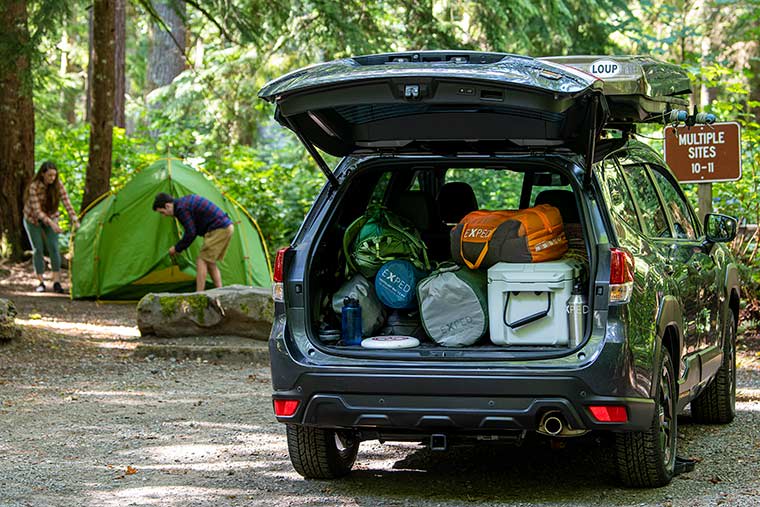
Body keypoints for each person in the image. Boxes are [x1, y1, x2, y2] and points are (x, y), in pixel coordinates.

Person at [152, 192, 234, 292]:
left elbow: (191, 233)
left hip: (219, 228)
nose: (164, 216)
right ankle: (220, 291)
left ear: (167, 206)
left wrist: (177, 248)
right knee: (210, 261)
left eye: (162, 212)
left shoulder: (181, 209)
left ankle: (199, 294)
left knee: (201, 260)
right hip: (226, 226)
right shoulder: (182, 204)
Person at [22, 161, 80, 293]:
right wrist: (52, 224)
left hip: (51, 217)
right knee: (38, 249)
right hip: (33, 220)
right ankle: (40, 282)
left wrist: (75, 220)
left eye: (54, 175)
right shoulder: (34, 187)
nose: (52, 178)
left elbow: (67, 203)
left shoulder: (57, 185)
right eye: (49, 175)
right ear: (42, 174)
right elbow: (37, 212)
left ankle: (57, 281)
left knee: (54, 248)